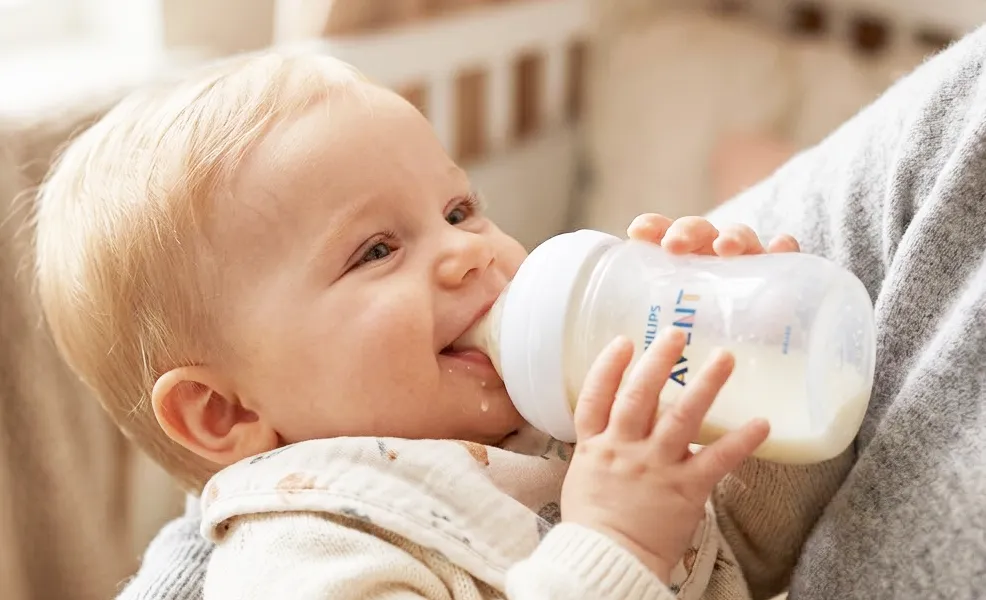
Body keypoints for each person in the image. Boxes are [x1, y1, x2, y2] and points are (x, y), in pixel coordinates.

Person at [105, 17, 986, 600]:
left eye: (458, 210)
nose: (469, 253)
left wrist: (742, 393)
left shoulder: (544, 435)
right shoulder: (307, 548)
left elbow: (738, 568)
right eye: (376, 250)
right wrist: (610, 545)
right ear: (225, 411)